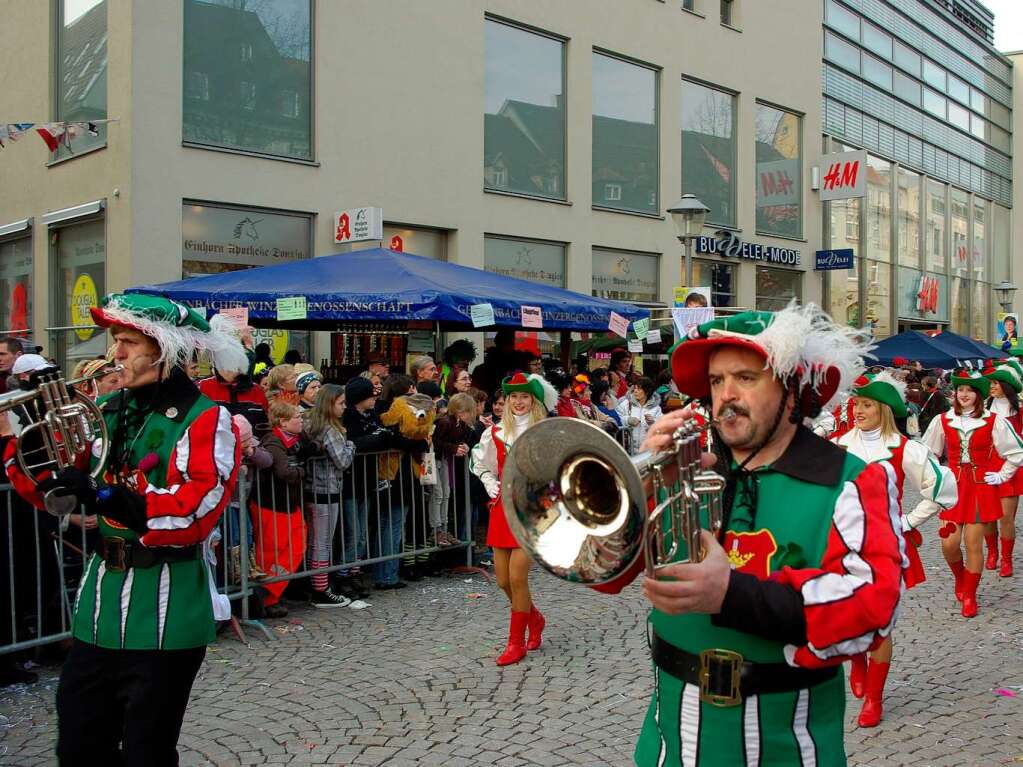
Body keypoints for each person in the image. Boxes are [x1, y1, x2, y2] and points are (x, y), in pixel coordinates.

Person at [591, 304, 903, 766]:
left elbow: (871, 608)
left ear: (792, 389)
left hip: (785, 746)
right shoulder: (687, 467)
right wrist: (640, 490)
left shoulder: (852, 480)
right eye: (717, 381)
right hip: (670, 742)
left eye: (746, 378)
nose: (726, 396)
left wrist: (731, 594)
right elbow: (603, 575)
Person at [15, 293, 246, 765]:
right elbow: (50, 488)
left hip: (167, 604)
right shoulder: (108, 408)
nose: (114, 354)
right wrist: (31, 435)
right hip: (100, 604)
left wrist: (106, 497)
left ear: (163, 348)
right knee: (79, 744)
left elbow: (193, 514)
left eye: (126, 342)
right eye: (114, 341)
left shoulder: (206, 418)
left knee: (146, 751)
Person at [831, 371, 957, 727]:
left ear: (884, 409)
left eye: (867, 405)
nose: (858, 410)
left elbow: (942, 489)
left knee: (881, 624)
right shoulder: (837, 445)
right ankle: (856, 659)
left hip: (885, 545)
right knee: (846, 615)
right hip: (842, 542)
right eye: (856, 404)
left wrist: (908, 521)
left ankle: (874, 697)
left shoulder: (907, 449)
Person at [921, 369, 1023, 618]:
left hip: (980, 486)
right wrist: (935, 476)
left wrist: (1002, 475)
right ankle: (960, 579)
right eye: (960, 390)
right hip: (952, 486)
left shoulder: (993, 420)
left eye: (969, 390)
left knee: (973, 543)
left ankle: (970, 594)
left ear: (978, 394)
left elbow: (1016, 452)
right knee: (949, 543)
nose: (963, 394)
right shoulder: (943, 420)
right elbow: (926, 453)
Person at [471, 372, 555, 666]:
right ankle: (535, 618)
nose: (519, 402)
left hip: (531, 511)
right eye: (513, 397)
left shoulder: (544, 432)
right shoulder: (494, 432)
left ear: (534, 401)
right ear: (506, 401)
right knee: (503, 581)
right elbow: (480, 463)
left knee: (518, 577)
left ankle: (515, 642)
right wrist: (488, 482)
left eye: (525, 397)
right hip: (501, 509)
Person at [342, 376, 405, 591]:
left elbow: (384, 435)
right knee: (353, 534)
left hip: (367, 479)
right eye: (371, 394)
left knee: (361, 535)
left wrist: (382, 436)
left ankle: (355, 572)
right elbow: (355, 444)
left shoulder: (371, 415)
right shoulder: (349, 417)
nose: (375, 397)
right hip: (350, 481)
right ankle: (344, 576)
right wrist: (380, 438)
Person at [302, 384, 358, 607]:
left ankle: (317, 585)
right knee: (322, 542)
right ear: (329, 404)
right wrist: (351, 445)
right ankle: (320, 589)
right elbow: (343, 461)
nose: (344, 407)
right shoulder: (330, 430)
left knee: (317, 541)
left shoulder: (311, 424)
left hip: (313, 488)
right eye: (341, 403)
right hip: (326, 489)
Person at [982, 360, 1023, 577]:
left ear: (1006, 385)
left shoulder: (1019, 410)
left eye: (996, 383)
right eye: (990, 383)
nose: (992, 387)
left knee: (1006, 517)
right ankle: (992, 553)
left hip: (1011, 467)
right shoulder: (983, 408)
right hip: (987, 465)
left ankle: (1007, 560)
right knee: (988, 516)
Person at [430, 392, 476, 547]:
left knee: (446, 493)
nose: (470, 415)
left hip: (444, 461)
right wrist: (453, 448)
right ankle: (436, 529)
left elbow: (461, 439)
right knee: (438, 494)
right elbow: (436, 442)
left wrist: (463, 445)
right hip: (435, 460)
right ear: (459, 411)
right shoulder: (445, 422)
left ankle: (444, 528)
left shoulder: (460, 425)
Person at [197, 355, 269, 433]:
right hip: (215, 442)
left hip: (252, 442)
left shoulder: (256, 390)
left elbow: (268, 425)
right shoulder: (203, 387)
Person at [616, 377, 662, 455]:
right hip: (628, 451)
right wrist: (628, 420)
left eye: (639, 389)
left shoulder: (656, 408)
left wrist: (652, 422)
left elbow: (662, 426)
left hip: (648, 452)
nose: (635, 391)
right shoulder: (626, 404)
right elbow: (616, 419)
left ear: (647, 391)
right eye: (635, 388)